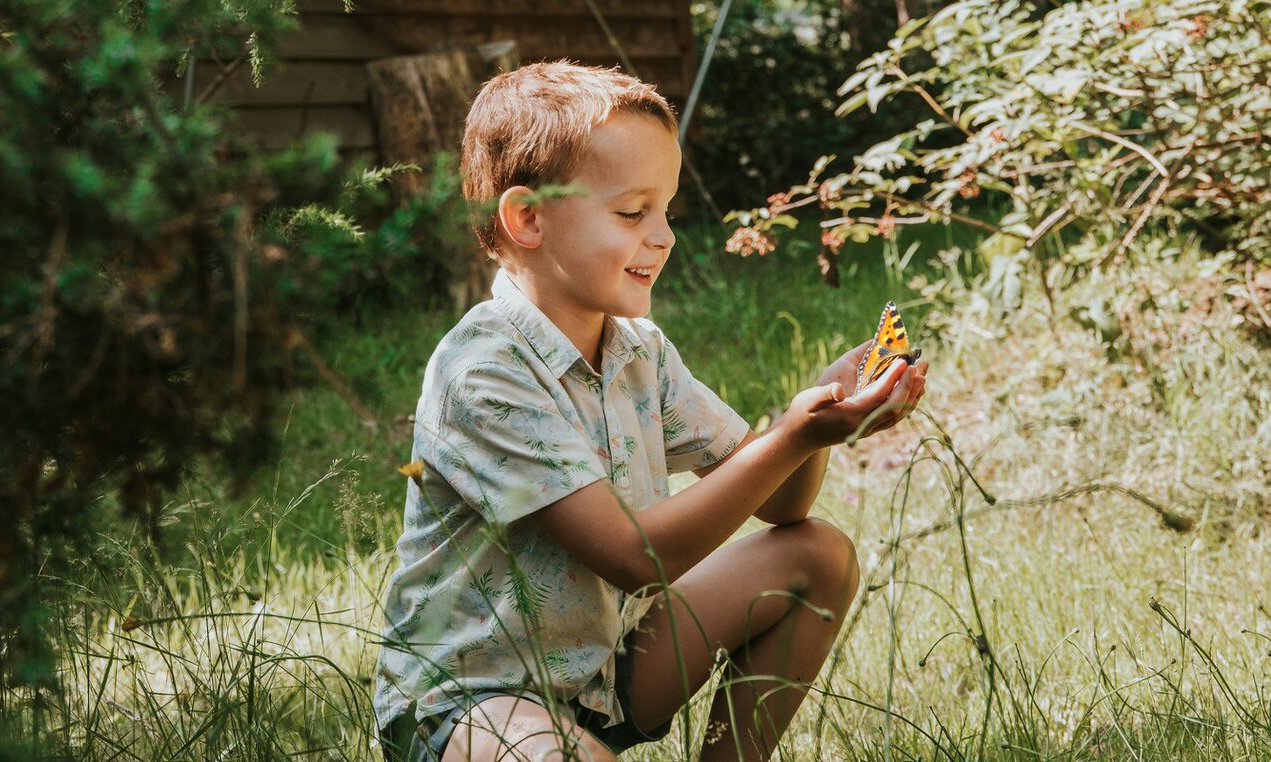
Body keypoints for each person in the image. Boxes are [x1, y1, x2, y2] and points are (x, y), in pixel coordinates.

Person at [372, 60, 928, 762]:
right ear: (529, 218)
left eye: (665, 210)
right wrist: (791, 436)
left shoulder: (640, 351)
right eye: (633, 212)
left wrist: (816, 423)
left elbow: (782, 508)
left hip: (606, 670)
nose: (662, 236)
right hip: (470, 702)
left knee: (817, 555)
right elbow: (635, 556)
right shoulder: (484, 372)